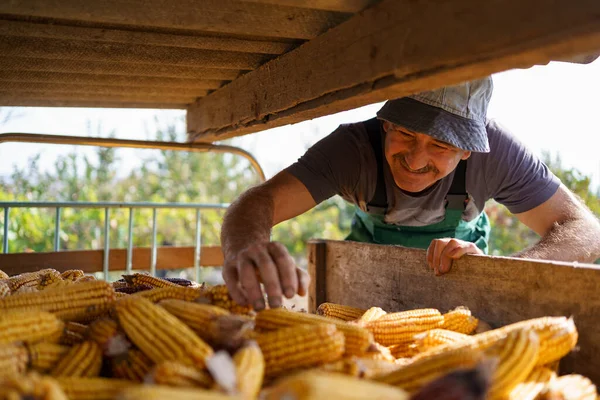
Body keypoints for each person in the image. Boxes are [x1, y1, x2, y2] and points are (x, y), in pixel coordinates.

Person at [220, 77, 600, 311]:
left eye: (440, 144)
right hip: (363, 286)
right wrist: (247, 246)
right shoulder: (351, 150)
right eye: (405, 133)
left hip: (459, 292)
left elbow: (586, 229)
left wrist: (505, 272)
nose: (416, 159)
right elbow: (257, 202)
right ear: (385, 122)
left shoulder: (498, 154)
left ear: (468, 148)